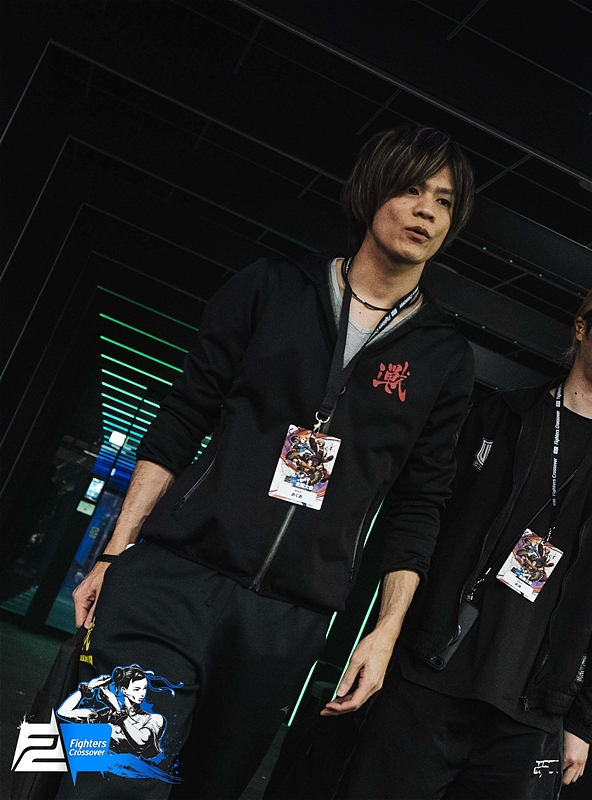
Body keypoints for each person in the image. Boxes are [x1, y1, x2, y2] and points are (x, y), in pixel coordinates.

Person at [62, 123, 477, 798]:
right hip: (174, 578)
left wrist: (385, 631)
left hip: (286, 621)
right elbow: (183, 418)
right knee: (110, 779)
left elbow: (419, 503)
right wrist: (114, 553)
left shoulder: (443, 359)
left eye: (445, 201)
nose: (427, 210)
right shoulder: (272, 288)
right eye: (411, 189)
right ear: (371, 191)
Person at [342, 279, 592, 799]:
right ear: (582, 328)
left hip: (531, 714)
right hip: (431, 676)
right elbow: (424, 520)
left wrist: (587, 723)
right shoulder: (501, 416)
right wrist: (387, 634)